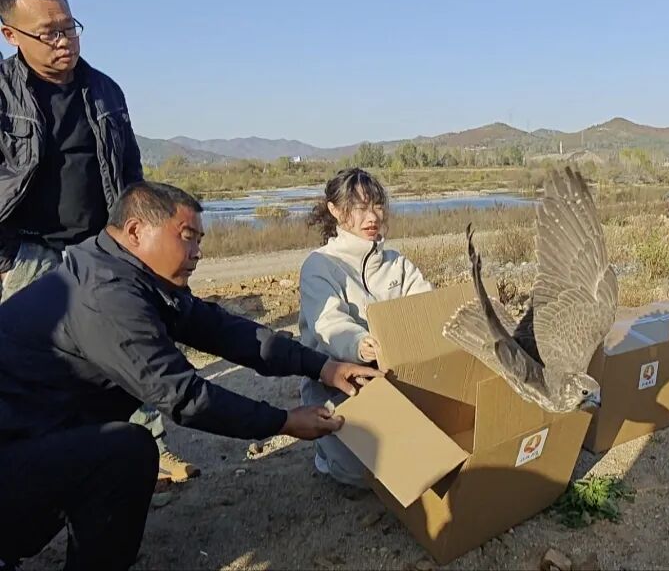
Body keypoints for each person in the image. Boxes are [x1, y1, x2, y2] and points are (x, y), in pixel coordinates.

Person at [0, 182, 382, 570]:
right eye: (187, 237)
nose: (197, 252)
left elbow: (225, 332)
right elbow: (185, 397)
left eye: (199, 240)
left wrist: (323, 366)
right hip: (11, 452)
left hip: (33, 435)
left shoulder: (129, 274)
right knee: (126, 453)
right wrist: (284, 421)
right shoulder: (107, 296)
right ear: (135, 231)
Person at [0, 0, 197, 482]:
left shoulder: (104, 89)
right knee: (38, 368)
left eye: (70, 27)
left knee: (134, 340)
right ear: (10, 34)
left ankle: (151, 448)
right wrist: (7, 256)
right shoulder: (2, 96)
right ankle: (52, 464)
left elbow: (129, 169)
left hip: (102, 244)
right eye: (48, 32)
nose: (63, 40)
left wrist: (139, 235)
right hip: (29, 251)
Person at [298, 168, 433, 486]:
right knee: (361, 475)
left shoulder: (396, 263)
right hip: (338, 384)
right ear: (334, 210)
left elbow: (425, 306)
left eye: (377, 206)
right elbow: (329, 325)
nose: (371, 217)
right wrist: (360, 344)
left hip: (393, 376)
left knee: (420, 458)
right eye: (359, 207)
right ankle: (327, 451)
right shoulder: (320, 265)